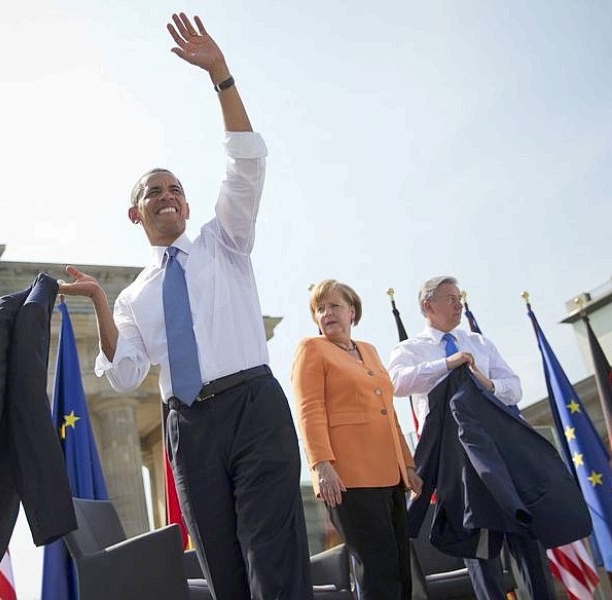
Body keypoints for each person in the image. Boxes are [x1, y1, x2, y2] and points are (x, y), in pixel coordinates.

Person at [59, 13, 312, 600]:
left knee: (272, 562)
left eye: (175, 188)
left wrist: (220, 75)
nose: (167, 196)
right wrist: (99, 301)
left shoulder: (224, 242)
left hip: (253, 406)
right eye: (154, 191)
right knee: (223, 571)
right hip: (189, 426)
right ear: (136, 214)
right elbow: (124, 378)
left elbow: (246, 165)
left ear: (188, 204)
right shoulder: (133, 296)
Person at [387, 275, 554, 600]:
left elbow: (514, 386)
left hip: (501, 456)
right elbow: (395, 383)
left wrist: (489, 385)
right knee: (479, 551)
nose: (458, 303)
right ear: (427, 306)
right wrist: (447, 364)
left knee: (527, 541)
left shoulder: (480, 343)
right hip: (457, 463)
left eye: (459, 297)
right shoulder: (410, 350)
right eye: (450, 298)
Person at [291, 279, 423, 600]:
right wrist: (321, 465)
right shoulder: (312, 349)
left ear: (352, 311)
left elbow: (388, 412)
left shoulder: (370, 351)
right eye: (319, 309)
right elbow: (309, 410)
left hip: (390, 475)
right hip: (348, 478)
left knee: (401, 570)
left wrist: (408, 465)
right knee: (379, 570)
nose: (326, 314)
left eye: (333, 306)